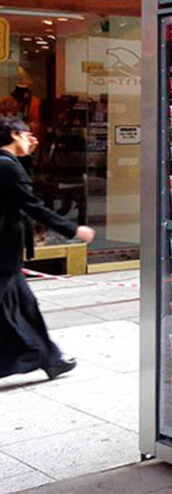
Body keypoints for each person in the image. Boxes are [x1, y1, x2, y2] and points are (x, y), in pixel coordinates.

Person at [0, 118, 95, 381]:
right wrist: (74, 230)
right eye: (27, 134)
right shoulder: (7, 166)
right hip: (2, 256)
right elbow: (32, 204)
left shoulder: (8, 164)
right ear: (14, 134)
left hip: (7, 256)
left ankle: (50, 359)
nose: (33, 139)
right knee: (18, 309)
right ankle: (43, 358)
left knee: (27, 306)